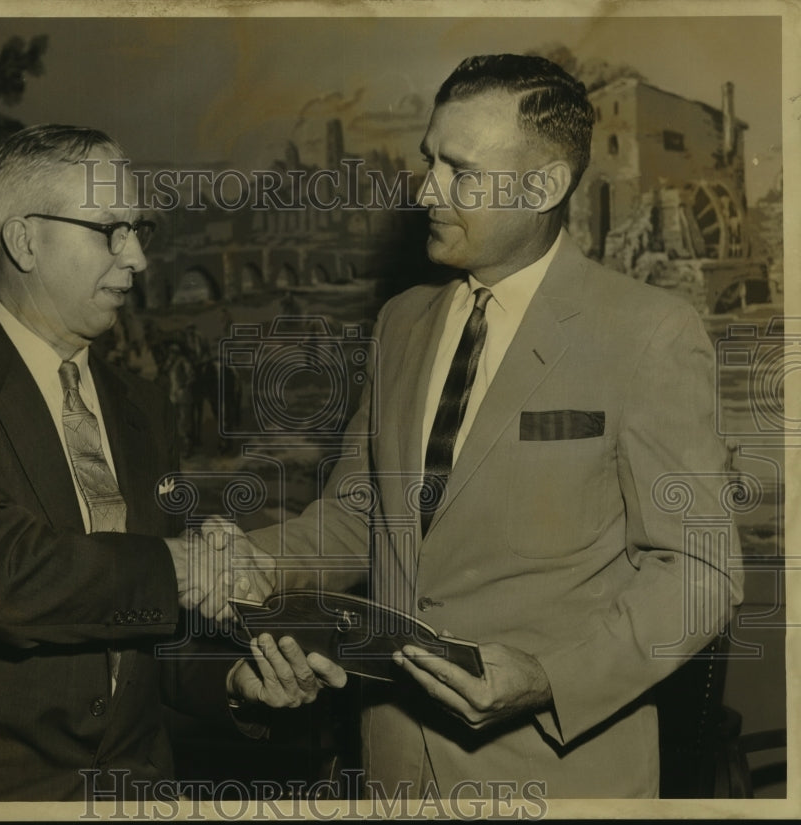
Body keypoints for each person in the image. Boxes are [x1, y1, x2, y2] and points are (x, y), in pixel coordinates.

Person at [238, 55, 744, 798]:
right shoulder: (400, 322)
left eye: (459, 171)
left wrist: (551, 679)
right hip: (390, 773)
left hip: (559, 777)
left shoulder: (649, 332)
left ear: (544, 185)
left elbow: (701, 574)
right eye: (428, 162)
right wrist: (239, 562)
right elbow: (361, 516)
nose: (424, 191)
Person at [0, 124, 337, 802]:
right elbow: (1, 578)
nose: (140, 257)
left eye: (138, 227)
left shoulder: (142, 405)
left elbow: (149, 627)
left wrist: (236, 683)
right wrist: (189, 562)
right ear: (25, 240)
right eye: (110, 230)